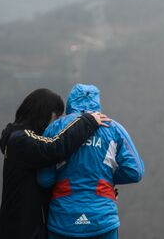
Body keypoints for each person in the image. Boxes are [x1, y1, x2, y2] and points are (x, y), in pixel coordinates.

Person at [0, 88, 111, 239]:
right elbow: (53, 147)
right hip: (24, 231)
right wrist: (88, 121)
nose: (56, 123)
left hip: (21, 228)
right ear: (44, 112)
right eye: (56, 117)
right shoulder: (21, 139)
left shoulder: (16, 138)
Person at [38, 84, 144, 239]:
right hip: (102, 219)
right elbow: (136, 172)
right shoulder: (113, 128)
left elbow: (45, 179)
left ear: (70, 102)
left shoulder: (55, 128)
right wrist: (106, 178)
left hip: (63, 219)